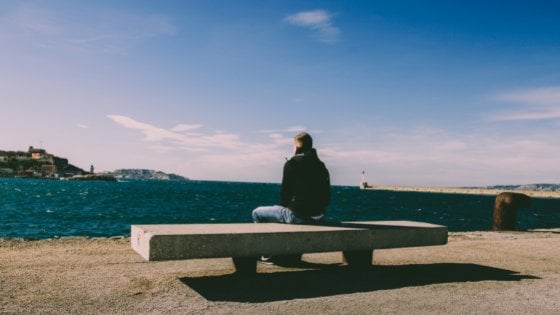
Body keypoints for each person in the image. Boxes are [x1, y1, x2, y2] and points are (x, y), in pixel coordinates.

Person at [252, 132, 330, 224]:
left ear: (297, 147)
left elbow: (285, 196)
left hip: (298, 216)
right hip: (318, 217)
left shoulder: (292, 163)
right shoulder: (321, 166)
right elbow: (326, 199)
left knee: (256, 212)